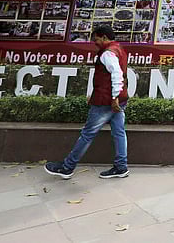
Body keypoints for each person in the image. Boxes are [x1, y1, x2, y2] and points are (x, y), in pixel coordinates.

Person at [44, 26, 129, 179]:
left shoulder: (107, 53)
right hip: (117, 99)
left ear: (104, 37)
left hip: (106, 102)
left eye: (96, 39)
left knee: (87, 134)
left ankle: (67, 167)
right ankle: (121, 167)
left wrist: (114, 97)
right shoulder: (118, 48)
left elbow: (117, 74)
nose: (95, 43)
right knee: (119, 132)